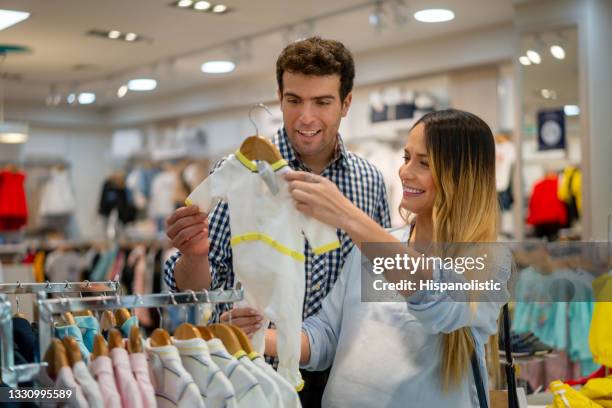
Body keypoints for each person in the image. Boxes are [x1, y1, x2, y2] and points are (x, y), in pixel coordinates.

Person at [164, 37, 391, 406]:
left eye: (322, 102)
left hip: (346, 379)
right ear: (279, 97)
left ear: (346, 103)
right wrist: (193, 255)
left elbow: (375, 285)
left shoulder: (369, 182)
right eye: (294, 100)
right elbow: (202, 292)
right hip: (257, 374)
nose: (306, 117)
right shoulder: (240, 173)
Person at [261, 109, 511, 407]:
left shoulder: (489, 262)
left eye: (424, 163)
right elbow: (326, 336)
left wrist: (348, 216)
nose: (405, 172)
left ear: (460, 176)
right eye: (406, 158)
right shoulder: (371, 248)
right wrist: (253, 338)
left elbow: (435, 300)